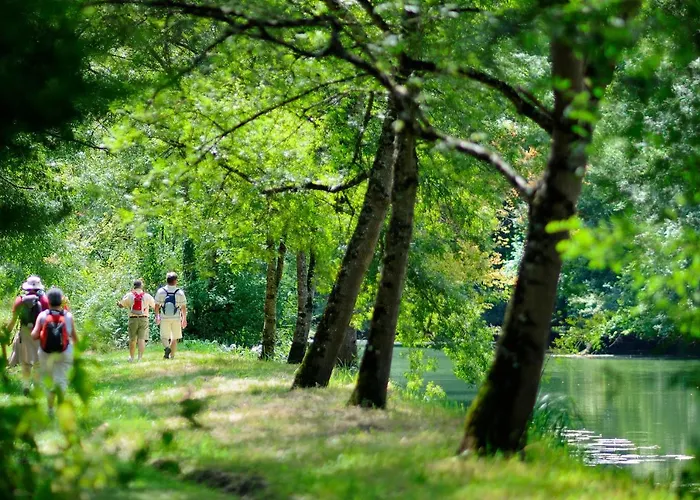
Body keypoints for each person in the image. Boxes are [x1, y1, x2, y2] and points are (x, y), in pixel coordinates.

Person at [31, 287, 77, 414]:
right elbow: (75, 337)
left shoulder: (42, 315)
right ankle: (60, 409)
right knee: (61, 380)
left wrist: (42, 333)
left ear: (48, 300)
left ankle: (50, 410)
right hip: (64, 352)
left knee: (50, 381)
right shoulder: (68, 316)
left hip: (46, 353)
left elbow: (34, 335)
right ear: (61, 301)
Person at [5, 275, 50, 395]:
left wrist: (7, 332)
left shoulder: (20, 300)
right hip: (39, 333)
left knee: (26, 362)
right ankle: (36, 386)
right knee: (38, 362)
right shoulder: (45, 300)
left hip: (24, 333)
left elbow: (14, 320)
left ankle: (26, 385)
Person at [117, 278, 155, 362]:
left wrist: (118, 304)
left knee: (132, 339)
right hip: (144, 319)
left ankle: (131, 357)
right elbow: (154, 305)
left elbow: (121, 305)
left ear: (134, 286)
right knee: (141, 339)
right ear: (141, 286)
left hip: (133, 319)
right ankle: (140, 358)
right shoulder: (147, 296)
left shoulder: (129, 295)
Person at [154, 272, 187, 360]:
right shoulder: (179, 292)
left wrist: (157, 316)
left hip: (164, 318)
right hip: (176, 318)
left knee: (164, 337)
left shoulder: (161, 291)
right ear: (175, 281)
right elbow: (183, 307)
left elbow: (156, 305)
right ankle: (172, 356)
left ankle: (167, 348)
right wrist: (184, 319)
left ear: (167, 280)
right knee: (174, 337)